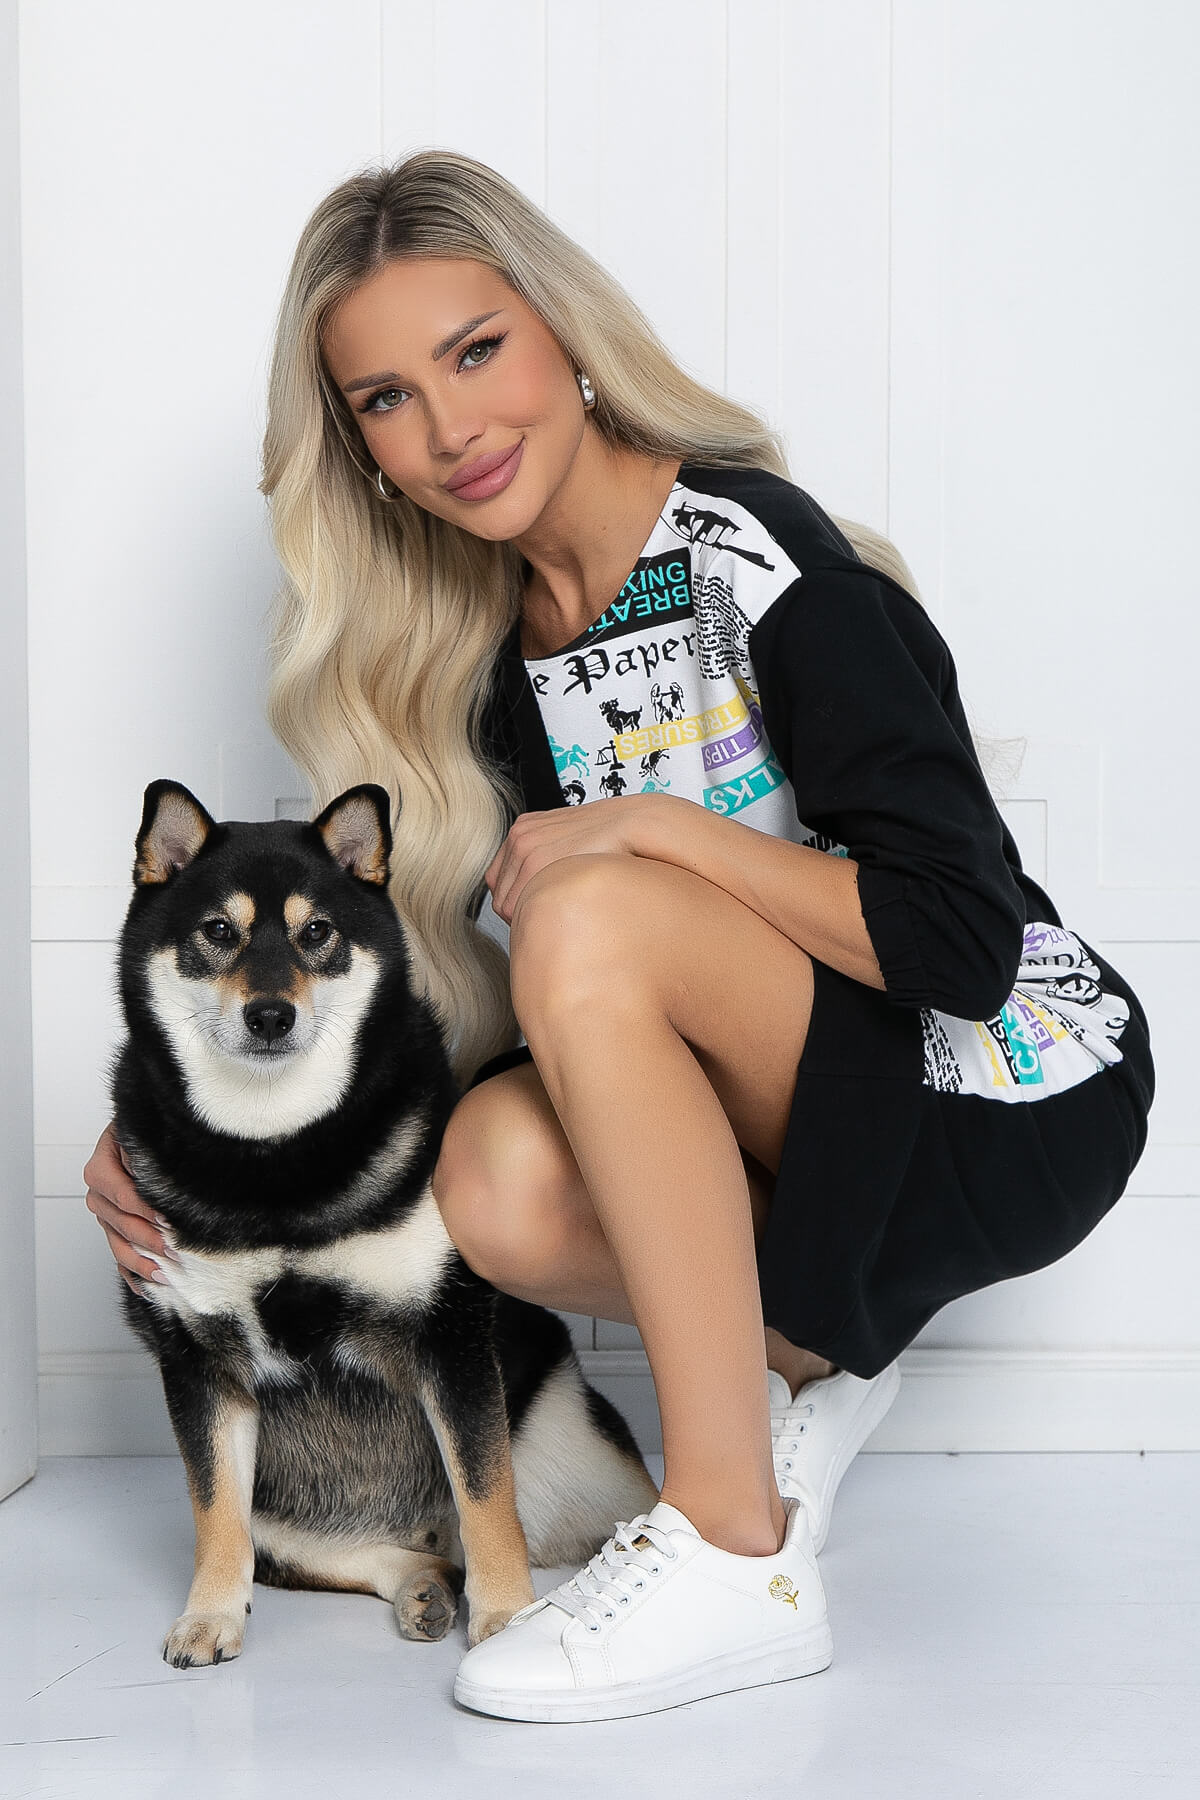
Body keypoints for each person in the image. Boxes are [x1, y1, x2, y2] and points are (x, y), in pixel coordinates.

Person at [82, 149, 1154, 1723]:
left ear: (565, 333)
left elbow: (965, 944)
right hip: (821, 1136)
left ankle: (734, 1549)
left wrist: (654, 826)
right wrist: (168, 1141)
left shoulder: (761, 560)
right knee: (487, 1172)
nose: (451, 429)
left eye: (477, 351)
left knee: (585, 913)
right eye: (386, 399)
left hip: (1006, 1099)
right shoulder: (474, 669)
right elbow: (442, 1023)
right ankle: (809, 1364)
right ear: (359, 450)